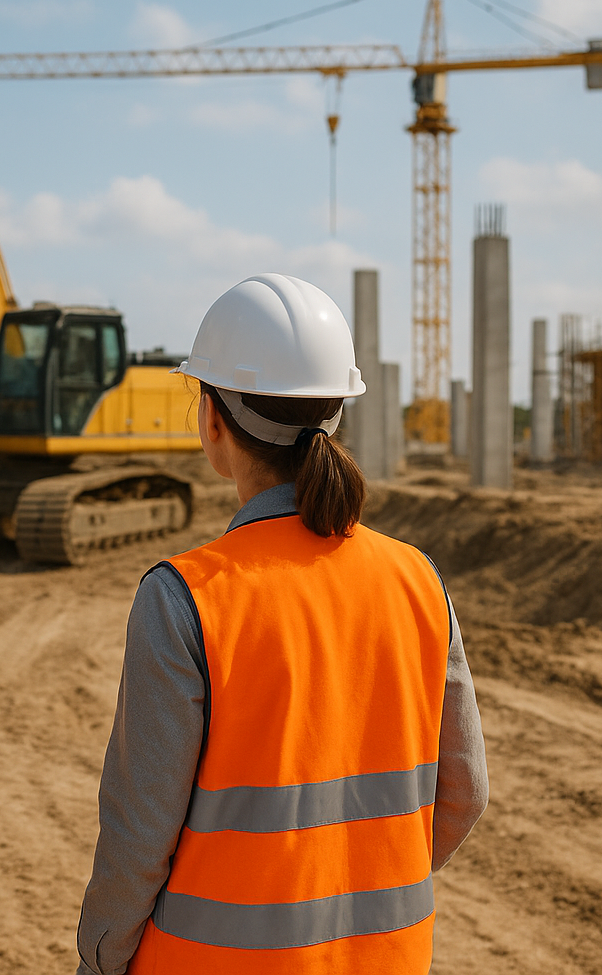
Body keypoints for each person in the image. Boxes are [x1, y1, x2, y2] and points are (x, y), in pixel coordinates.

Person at [75, 274, 489, 974]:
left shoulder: (186, 597)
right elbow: (465, 793)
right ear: (337, 415)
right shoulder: (419, 579)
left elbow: (138, 839)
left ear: (212, 420)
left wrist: (100, 960)